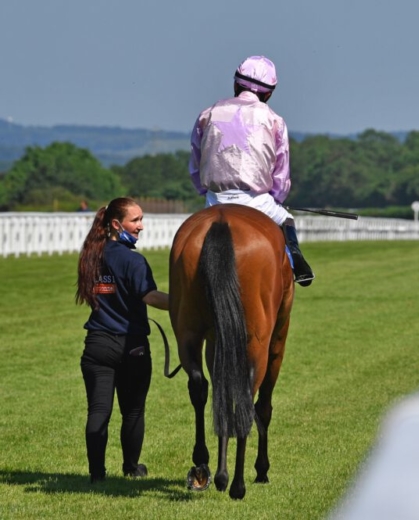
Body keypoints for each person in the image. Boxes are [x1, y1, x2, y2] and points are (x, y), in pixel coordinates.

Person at [189, 55, 314, 286]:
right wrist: (277, 198)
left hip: (214, 199)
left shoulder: (208, 113)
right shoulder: (274, 119)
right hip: (256, 201)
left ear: (236, 84)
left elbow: (196, 160)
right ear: (268, 94)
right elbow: (281, 171)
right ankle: (299, 264)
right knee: (286, 218)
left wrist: (202, 189)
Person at [75, 197, 169, 483]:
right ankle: (131, 467)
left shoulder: (91, 254)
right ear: (117, 224)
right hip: (132, 346)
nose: (141, 226)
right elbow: (150, 297)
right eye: (135, 220)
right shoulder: (134, 260)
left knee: (98, 410)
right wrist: (187, 304)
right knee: (133, 411)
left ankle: (96, 474)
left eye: (141, 219)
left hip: (97, 344)